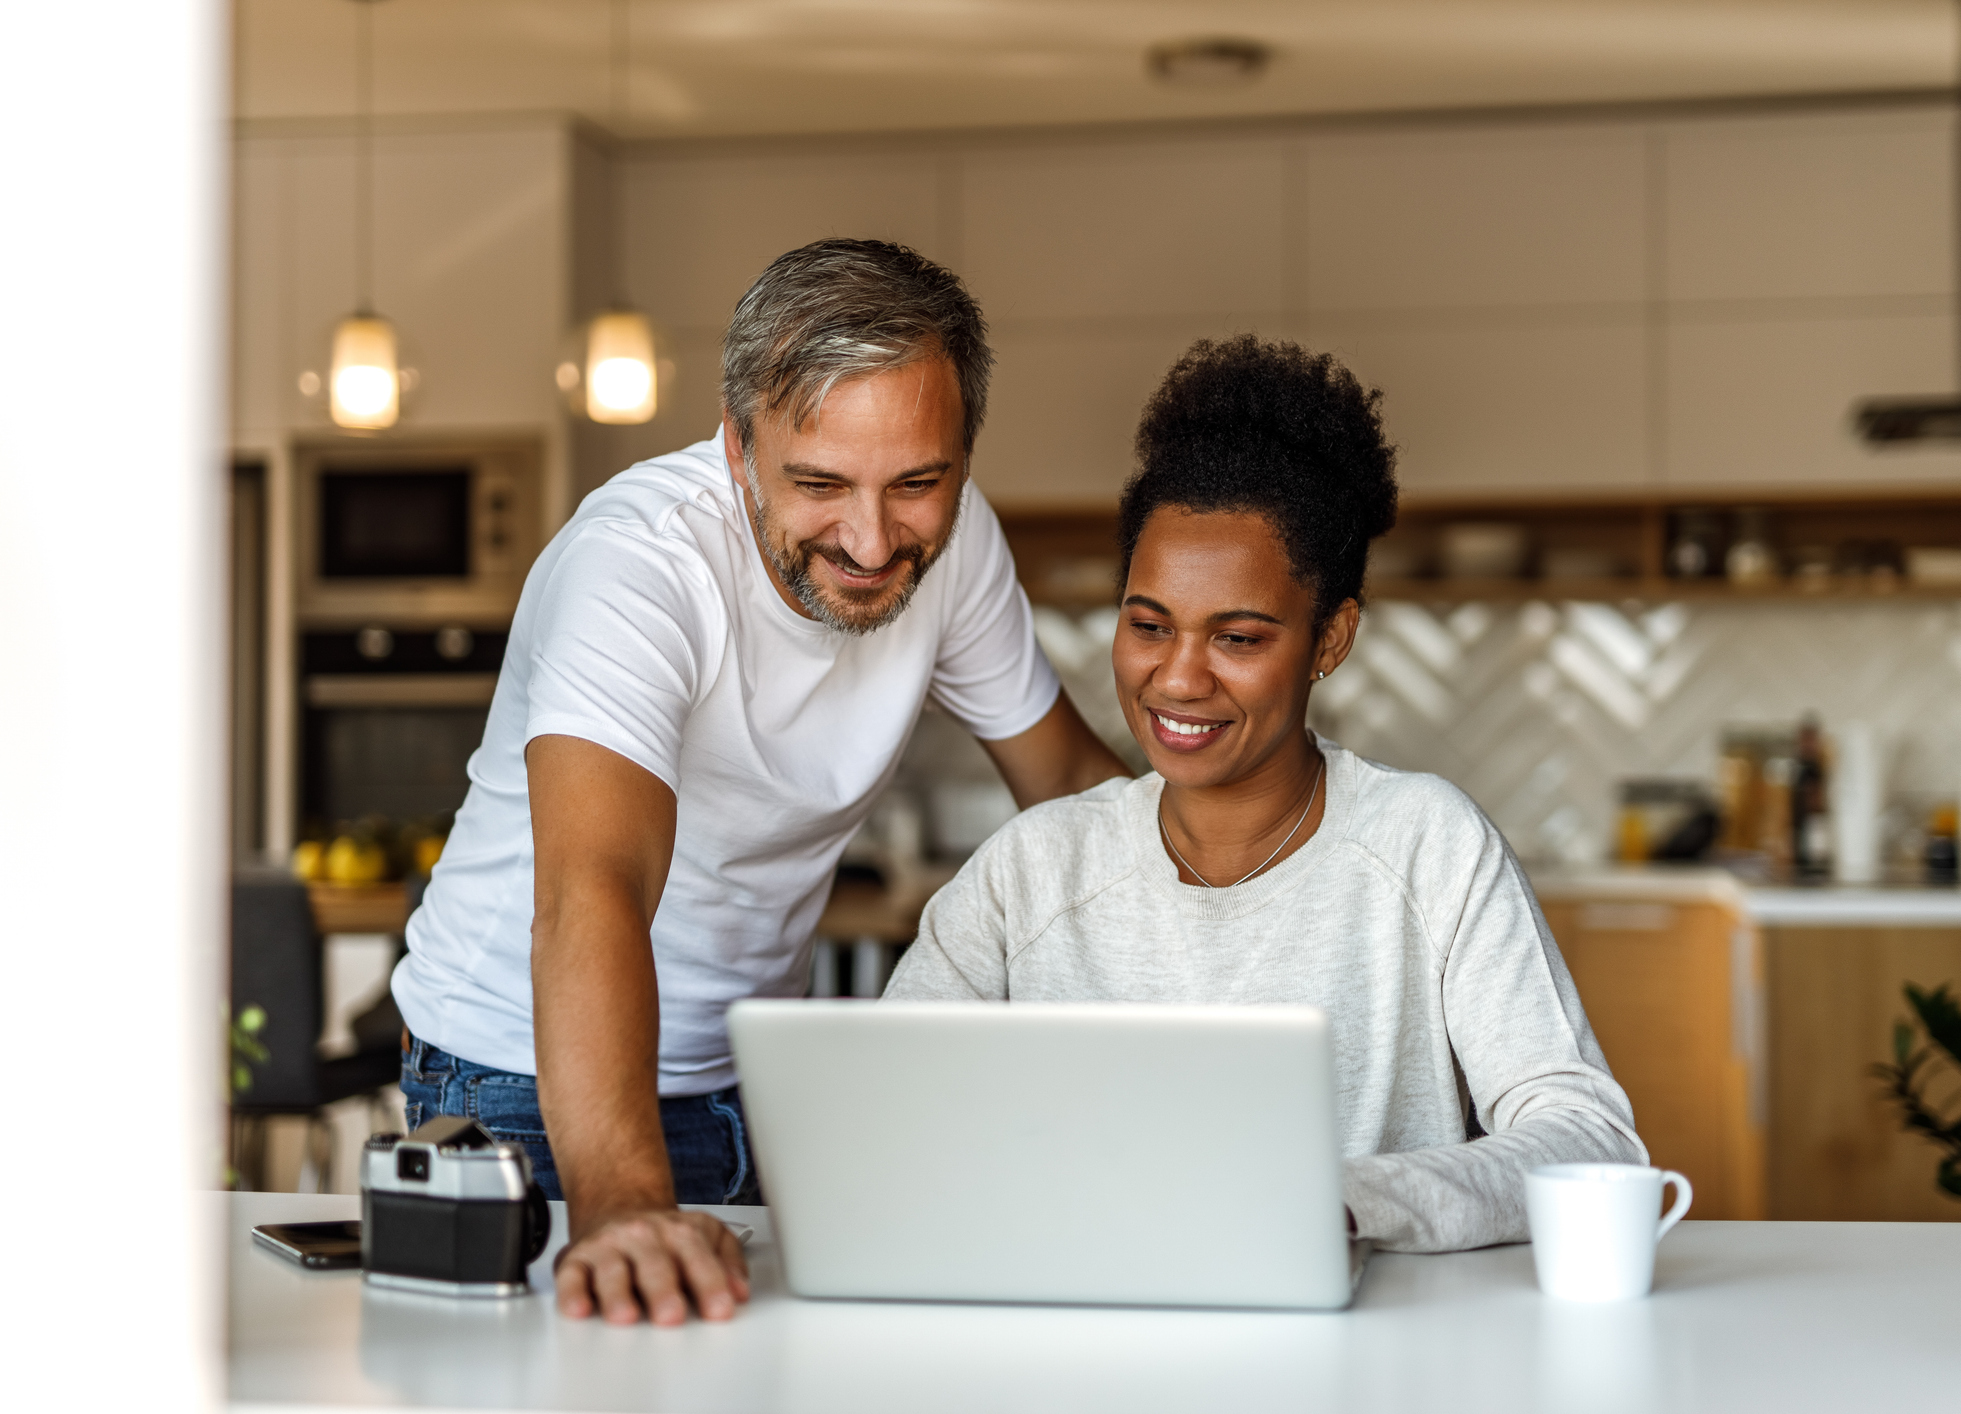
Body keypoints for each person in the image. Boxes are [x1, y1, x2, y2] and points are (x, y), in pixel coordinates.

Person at [391, 239, 1128, 1325]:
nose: (874, 540)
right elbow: (595, 887)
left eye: (918, 483)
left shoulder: (956, 546)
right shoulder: (639, 569)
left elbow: (1067, 783)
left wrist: (1244, 933)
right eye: (820, 484)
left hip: (767, 1076)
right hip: (529, 1082)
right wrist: (627, 1202)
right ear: (738, 447)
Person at [884, 335, 1645, 1251]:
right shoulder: (1033, 869)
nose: (1177, 678)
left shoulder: (1425, 846)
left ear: (1330, 639)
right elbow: (886, 1114)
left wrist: (1341, 1203)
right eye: (1148, 625)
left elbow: (1588, 1140)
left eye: (1238, 638)